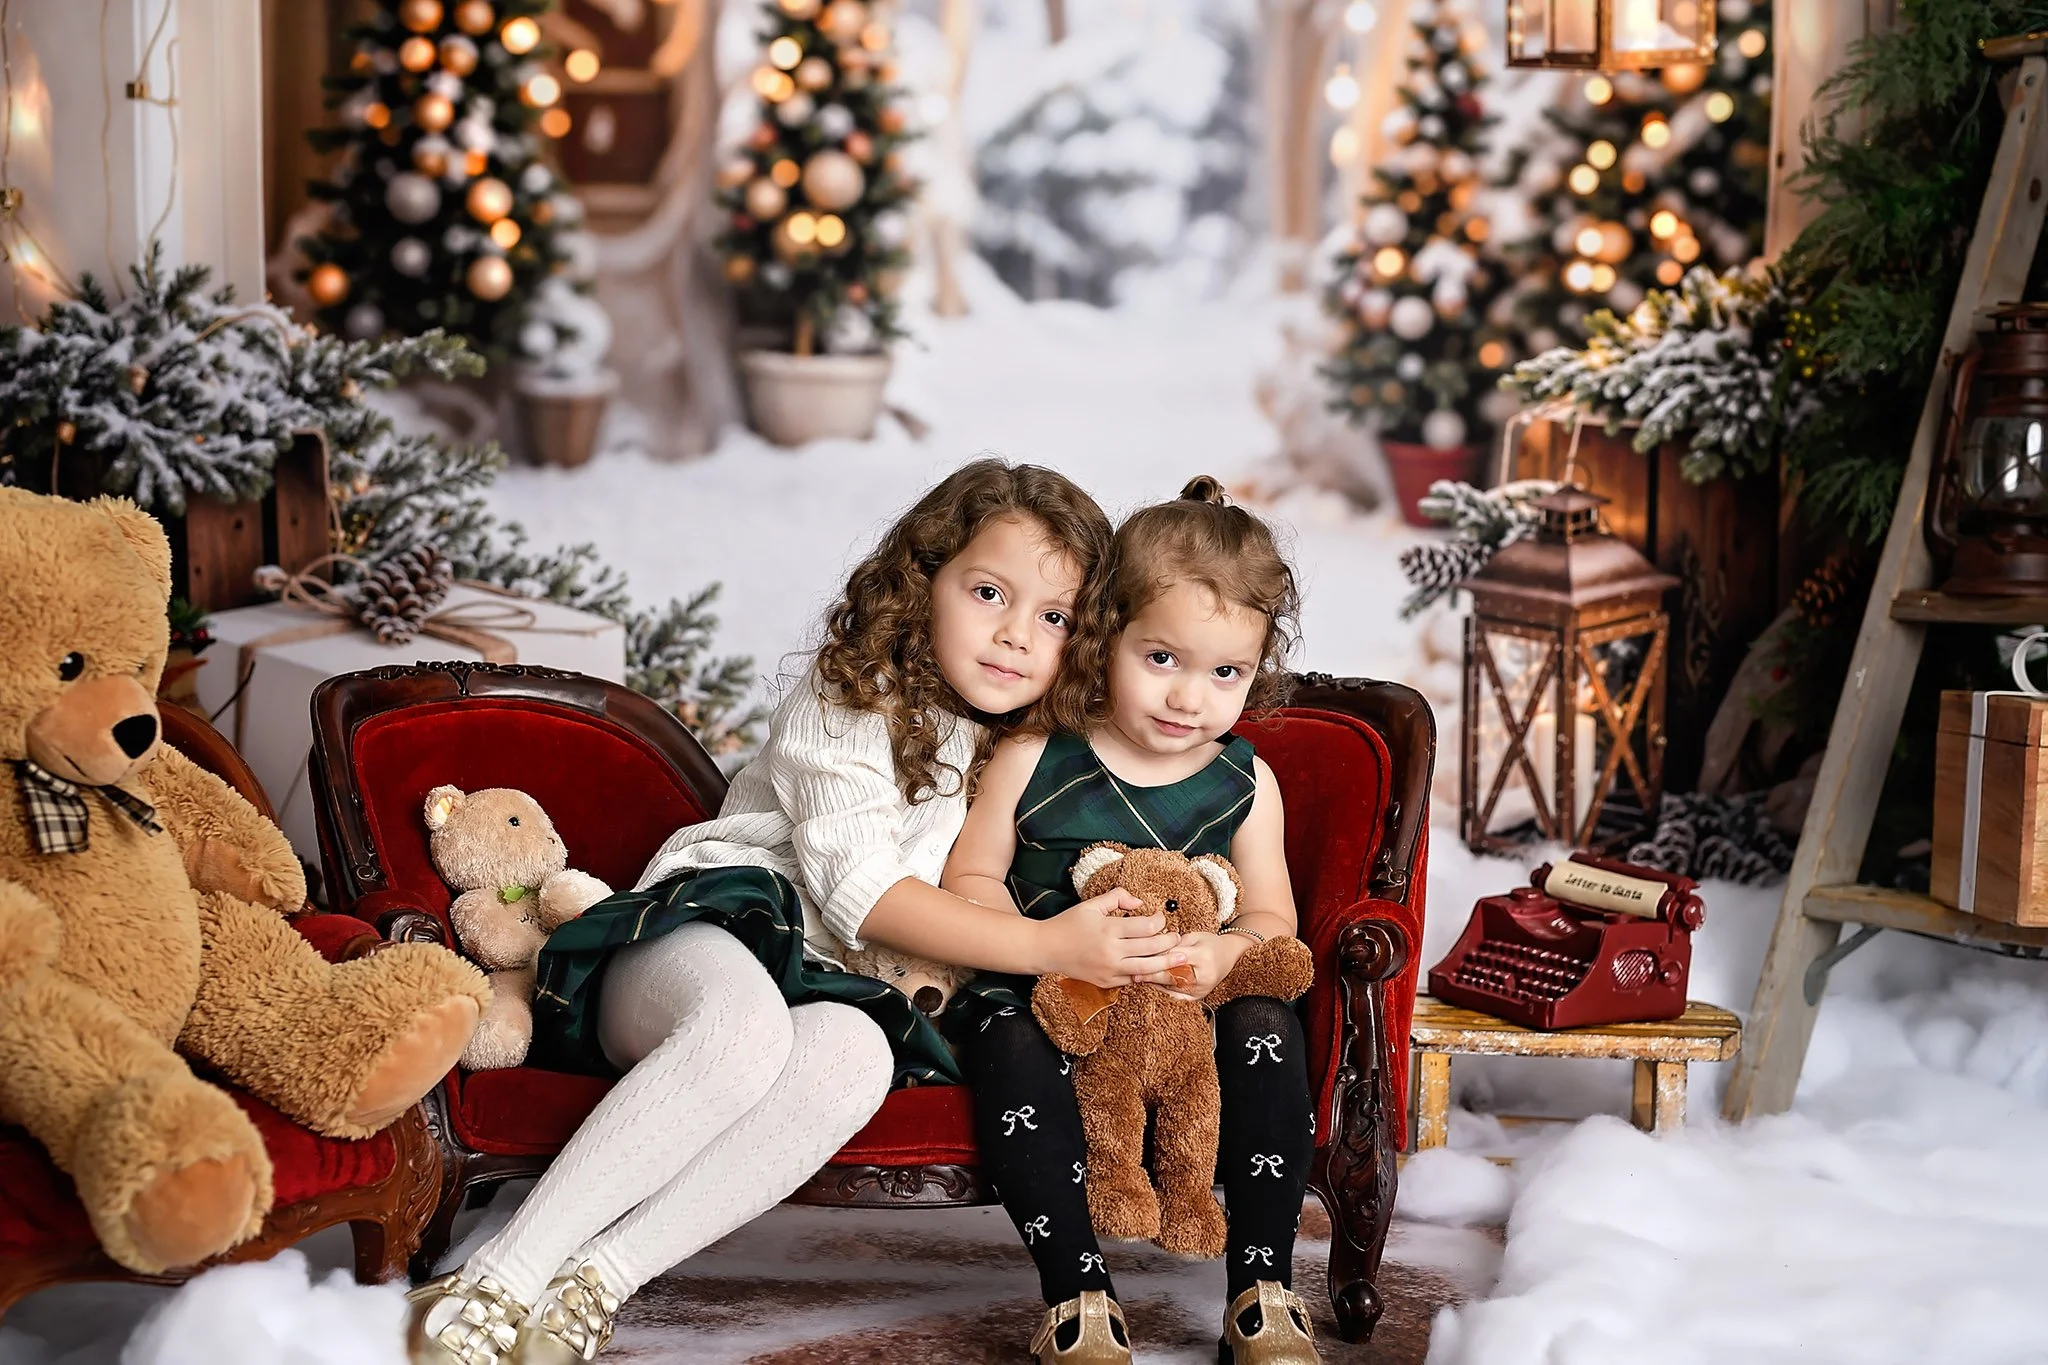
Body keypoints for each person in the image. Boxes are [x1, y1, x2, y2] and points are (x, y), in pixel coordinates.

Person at [407, 460, 1187, 1365]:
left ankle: (596, 1280)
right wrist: (1048, 943)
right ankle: (500, 1275)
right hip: (700, 936)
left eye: (1053, 617)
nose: (1016, 634)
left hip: (820, 990)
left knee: (857, 1053)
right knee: (743, 1027)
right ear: (923, 578)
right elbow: (867, 894)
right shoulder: (852, 696)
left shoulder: (1023, 752)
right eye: (988, 592)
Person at [942, 475, 1320, 1365]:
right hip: (1058, 995)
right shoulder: (1036, 754)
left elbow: (1274, 917)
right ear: (1108, 634)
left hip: (1185, 1014)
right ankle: (1078, 1294)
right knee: (1003, 1034)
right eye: (1163, 659)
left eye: (1224, 673)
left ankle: (1263, 1287)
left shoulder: (1243, 782)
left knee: (1268, 1020)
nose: (1190, 697)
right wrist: (1052, 951)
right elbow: (971, 875)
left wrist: (1225, 951)